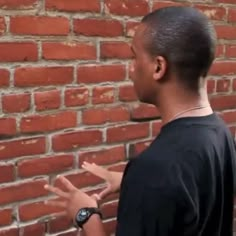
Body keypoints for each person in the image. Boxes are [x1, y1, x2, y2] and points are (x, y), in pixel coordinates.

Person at [44, 6, 236, 236]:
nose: (131, 69)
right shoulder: (220, 133)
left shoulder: (154, 170)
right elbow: (189, 192)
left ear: (158, 67)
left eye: (134, 56)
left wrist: (86, 215)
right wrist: (129, 182)